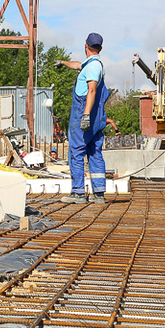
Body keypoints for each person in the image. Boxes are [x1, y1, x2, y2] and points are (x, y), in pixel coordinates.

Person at [54, 32, 111, 204]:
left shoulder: (93, 68)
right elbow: (78, 65)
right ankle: (99, 193)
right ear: (100, 48)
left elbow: (91, 90)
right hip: (97, 118)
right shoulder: (92, 64)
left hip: (84, 116)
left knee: (76, 152)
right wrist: (63, 63)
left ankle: (78, 193)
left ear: (85, 45)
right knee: (94, 152)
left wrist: (86, 115)